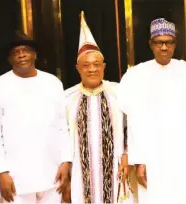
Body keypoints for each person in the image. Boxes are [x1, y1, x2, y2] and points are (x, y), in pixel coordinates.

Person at [117, 18, 186, 204]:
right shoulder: (136, 76)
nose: (164, 47)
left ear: (175, 44)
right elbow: (133, 122)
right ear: (151, 44)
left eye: (169, 42)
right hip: (153, 157)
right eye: (159, 42)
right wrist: (139, 159)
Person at [0, 32, 72, 203]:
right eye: (15, 52)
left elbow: (63, 126)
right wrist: (1, 172)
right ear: (9, 59)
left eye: (25, 50)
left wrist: (66, 162)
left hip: (51, 172)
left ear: (35, 54)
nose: (21, 55)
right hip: (16, 177)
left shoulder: (53, 83)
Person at [64, 11, 133, 204]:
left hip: (116, 170)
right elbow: (60, 136)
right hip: (80, 175)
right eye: (86, 65)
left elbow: (133, 128)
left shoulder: (119, 93)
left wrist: (128, 154)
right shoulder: (67, 99)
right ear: (78, 69)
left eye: (96, 64)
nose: (92, 69)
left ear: (104, 66)